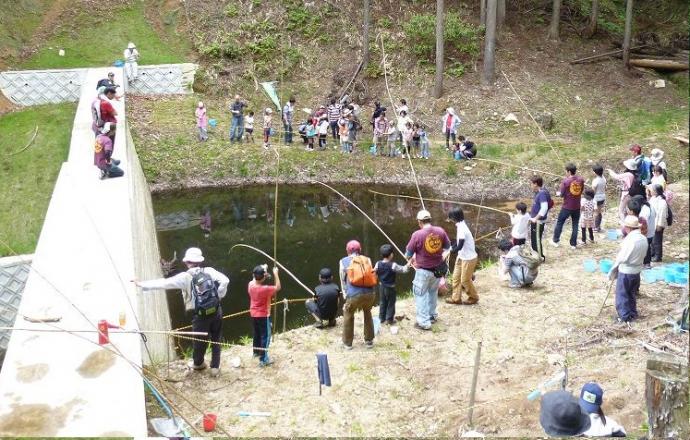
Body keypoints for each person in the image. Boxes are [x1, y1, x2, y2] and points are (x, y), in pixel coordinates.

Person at [135, 247, 229, 377]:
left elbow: (164, 283)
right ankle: (215, 367)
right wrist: (219, 296)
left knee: (199, 341)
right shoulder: (209, 271)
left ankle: (199, 363)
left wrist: (142, 284)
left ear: (187, 262)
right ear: (200, 261)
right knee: (216, 338)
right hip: (216, 310)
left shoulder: (185, 277)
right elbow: (225, 280)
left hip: (200, 316)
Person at [405, 210, 451, 330]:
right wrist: (441, 256)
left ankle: (423, 322)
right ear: (430, 219)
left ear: (419, 222)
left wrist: (410, 258)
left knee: (420, 295)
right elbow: (447, 247)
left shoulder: (417, 234)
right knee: (432, 293)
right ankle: (432, 316)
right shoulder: (440, 231)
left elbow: (408, 253)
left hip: (423, 271)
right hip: (437, 271)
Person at [609, 215, 648, 323]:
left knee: (622, 294)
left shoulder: (630, 240)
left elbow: (622, 257)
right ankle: (632, 313)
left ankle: (624, 316)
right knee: (631, 293)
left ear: (628, 228)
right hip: (637, 270)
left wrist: (614, 269)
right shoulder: (643, 238)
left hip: (627, 271)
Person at [338, 240, 376, 349]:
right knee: (367, 312)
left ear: (348, 251)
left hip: (354, 295)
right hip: (370, 293)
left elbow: (343, 280)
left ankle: (347, 343)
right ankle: (369, 341)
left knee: (348, 314)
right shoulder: (367, 259)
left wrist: (345, 295)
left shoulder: (343, 261)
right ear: (360, 250)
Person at [248, 265, 281, 366]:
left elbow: (255, 277)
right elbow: (278, 287)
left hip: (253, 313)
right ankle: (264, 359)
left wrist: (264, 269)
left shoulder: (250, 284)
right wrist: (276, 274)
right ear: (262, 277)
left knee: (257, 334)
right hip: (263, 315)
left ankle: (256, 352)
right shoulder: (265, 289)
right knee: (265, 336)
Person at [445, 208, 478, 305]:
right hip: (461, 256)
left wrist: (448, 252)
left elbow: (459, 246)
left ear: (454, 218)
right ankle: (456, 298)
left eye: (451, 218)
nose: (450, 219)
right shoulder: (460, 225)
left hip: (469, 258)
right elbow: (458, 242)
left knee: (465, 280)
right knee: (456, 278)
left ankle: (474, 297)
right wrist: (450, 248)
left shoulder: (462, 228)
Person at [550, 163, 584, 250]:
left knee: (560, 222)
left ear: (569, 171)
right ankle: (573, 244)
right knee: (575, 224)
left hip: (567, 207)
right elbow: (581, 191)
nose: (565, 172)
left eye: (566, 171)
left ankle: (555, 240)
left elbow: (561, 195)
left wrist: (559, 193)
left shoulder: (565, 181)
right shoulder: (581, 180)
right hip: (577, 206)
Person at [374, 244, 409, 325]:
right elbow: (403, 270)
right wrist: (409, 264)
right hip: (390, 288)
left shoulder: (377, 263)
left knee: (382, 302)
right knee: (391, 303)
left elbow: (374, 272)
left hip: (381, 287)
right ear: (391, 255)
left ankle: (381, 318)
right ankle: (389, 319)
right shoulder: (393, 265)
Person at [528, 176, 552, 262]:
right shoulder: (540, 192)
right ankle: (535, 255)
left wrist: (535, 218)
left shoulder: (542, 193)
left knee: (536, 239)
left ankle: (541, 257)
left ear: (535, 184)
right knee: (534, 238)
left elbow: (544, 208)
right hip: (536, 220)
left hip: (538, 221)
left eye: (531, 184)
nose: (530, 185)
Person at [629, 195, 655, 269]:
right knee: (647, 246)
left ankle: (646, 263)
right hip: (651, 230)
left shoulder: (645, 210)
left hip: (647, 231)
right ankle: (645, 262)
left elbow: (643, 223)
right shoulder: (649, 206)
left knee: (646, 248)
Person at [648, 184, 668, 263]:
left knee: (657, 241)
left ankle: (658, 256)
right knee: (652, 240)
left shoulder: (662, 202)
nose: (651, 191)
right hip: (652, 222)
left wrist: (659, 225)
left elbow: (662, 215)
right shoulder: (653, 199)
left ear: (656, 192)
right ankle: (652, 253)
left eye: (652, 190)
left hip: (658, 223)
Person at [591, 164, 607, 232]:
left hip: (596, 198)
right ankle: (598, 226)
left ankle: (595, 227)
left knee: (595, 213)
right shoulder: (603, 178)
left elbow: (593, 191)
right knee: (599, 212)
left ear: (595, 172)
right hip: (602, 197)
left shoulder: (595, 181)